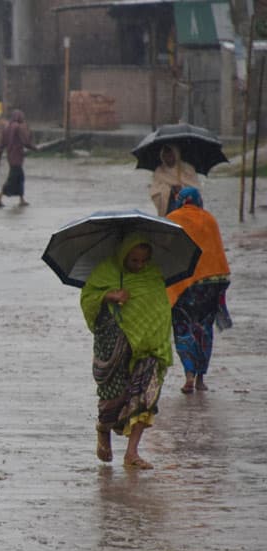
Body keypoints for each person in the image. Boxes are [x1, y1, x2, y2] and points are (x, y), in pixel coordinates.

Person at [81, 233, 173, 469]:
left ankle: (132, 452)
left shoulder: (152, 276)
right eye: (133, 260)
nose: (139, 265)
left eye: (143, 260)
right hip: (115, 346)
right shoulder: (106, 273)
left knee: (146, 395)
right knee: (114, 396)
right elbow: (88, 299)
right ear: (123, 256)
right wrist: (109, 295)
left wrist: (157, 340)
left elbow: (161, 309)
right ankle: (103, 429)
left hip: (149, 347)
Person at [165, 187, 231, 394]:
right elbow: (217, 252)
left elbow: (167, 251)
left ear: (181, 201)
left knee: (183, 328)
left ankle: (189, 375)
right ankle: (201, 378)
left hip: (184, 284)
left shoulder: (173, 218)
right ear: (199, 201)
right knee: (204, 330)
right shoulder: (210, 219)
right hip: (211, 284)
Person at [0, 109, 37, 207]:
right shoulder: (17, 127)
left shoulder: (6, 128)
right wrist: (34, 148)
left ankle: (21, 200)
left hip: (11, 157)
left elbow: (1, 147)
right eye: (22, 116)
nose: (23, 118)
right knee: (12, 179)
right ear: (18, 117)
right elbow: (25, 142)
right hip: (17, 158)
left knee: (20, 178)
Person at [149, 144, 199, 216]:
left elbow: (195, 189)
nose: (168, 159)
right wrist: (168, 190)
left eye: (170, 156)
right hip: (169, 208)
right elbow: (154, 191)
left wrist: (182, 189)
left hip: (186, 207)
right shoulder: (159, 171)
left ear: (176, 155)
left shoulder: (187, 169)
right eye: (165, 156)